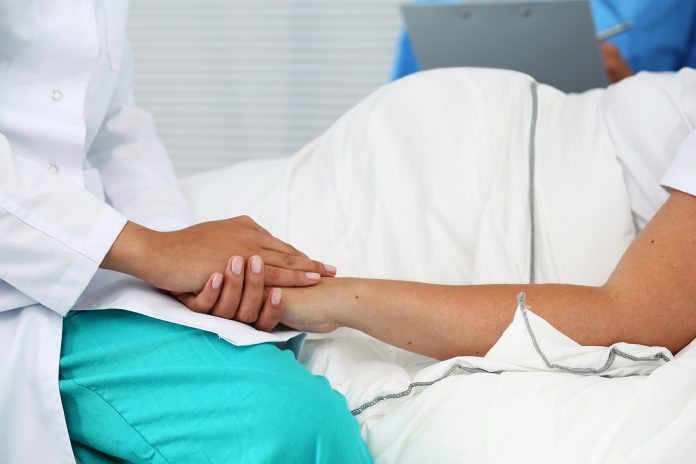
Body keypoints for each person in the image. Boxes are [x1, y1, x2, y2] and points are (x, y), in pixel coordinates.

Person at [0, 2, 371, 463]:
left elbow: (115, 126)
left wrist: (190, 263)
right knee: (290, 431)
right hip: (20, 296)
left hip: (96, 274)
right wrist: (153, 251)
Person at [261, 66, 696, 361]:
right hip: (440, 145)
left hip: (461, 208)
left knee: (228, 265)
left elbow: (634, 318)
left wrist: (339, 299)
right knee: (217, 236)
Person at [392, 0, 696, 84]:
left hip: (620, 172)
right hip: (471, 171)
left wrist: (631, 90)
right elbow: (399, 111)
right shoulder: (435, 7)